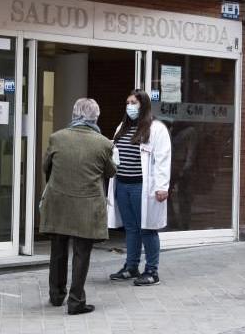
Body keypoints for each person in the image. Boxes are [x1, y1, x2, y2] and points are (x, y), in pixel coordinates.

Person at [40, 98, 116, 315]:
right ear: (95, 117)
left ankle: (56, 296)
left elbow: (46, 166)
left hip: (59, 203)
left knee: (58, 251)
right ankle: (76, 301)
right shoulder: (103, 143)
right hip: (87, 206)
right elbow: (111, 172)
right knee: (82, 253)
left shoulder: (57, 138)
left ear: (74, 115)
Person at [107, 89, 172, 286]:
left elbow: (163, 158)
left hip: (143, 187)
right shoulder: (122, 127)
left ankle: (152, 271)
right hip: (123, 185)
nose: (130, 107)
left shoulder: (156, 128)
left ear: (143, 105)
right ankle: (131, 266)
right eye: (127, 103)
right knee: (131, 228)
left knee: (147, 229)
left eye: (134, 103)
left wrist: (162, 186)